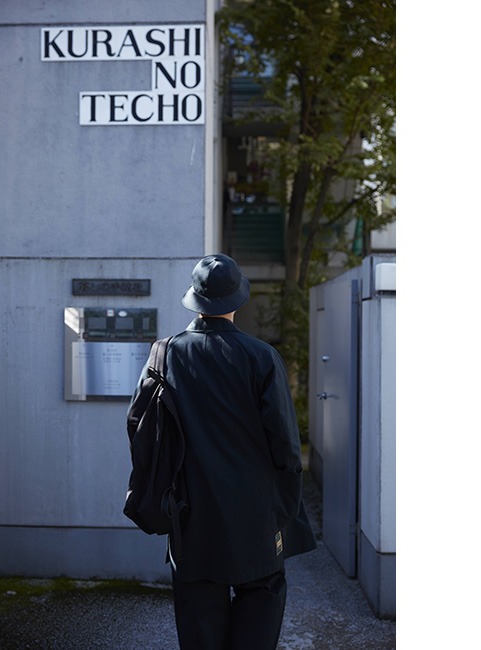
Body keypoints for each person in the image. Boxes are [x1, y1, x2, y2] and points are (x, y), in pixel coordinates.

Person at [130, 253, 316, 650]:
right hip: (255, 513)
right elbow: (286, 446)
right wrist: (282, 511)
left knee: (199, 618)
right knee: (261, 602)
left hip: (190, 513)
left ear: (195, 299)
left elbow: (140, 430)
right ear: (237, 300)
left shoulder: (166, 353)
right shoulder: (261, 356)